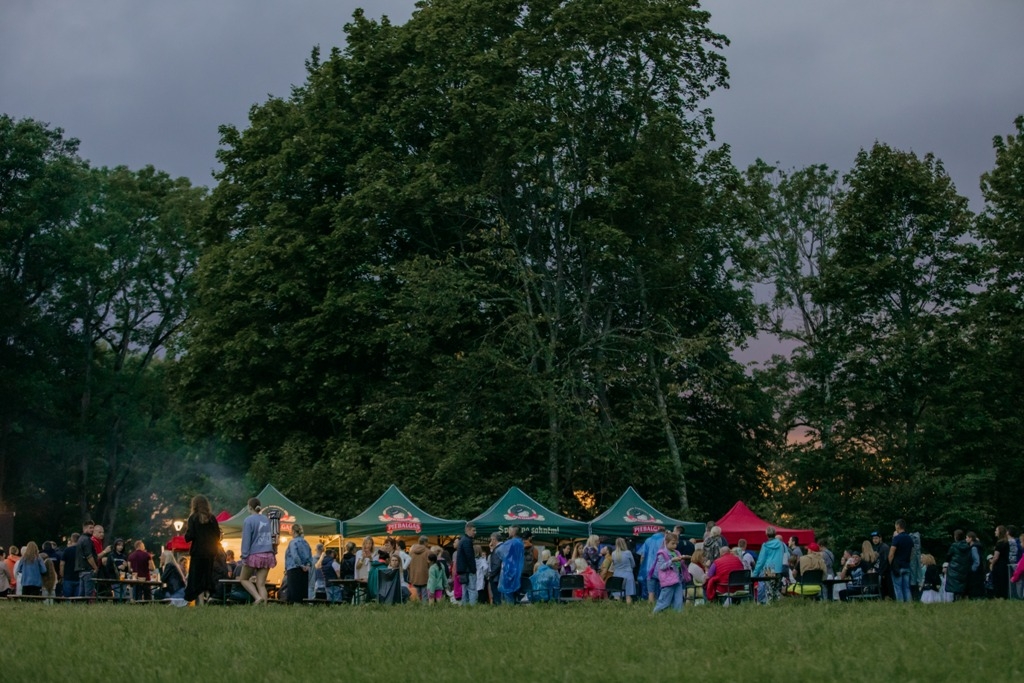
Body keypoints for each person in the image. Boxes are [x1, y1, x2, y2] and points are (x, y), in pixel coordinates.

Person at [184, 494, 222, 606]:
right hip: (210, 553)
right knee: (207, 576)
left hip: (198, 552)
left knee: (196, 578)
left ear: (194, 505)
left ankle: (199, 601)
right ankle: (208, 597)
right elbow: (217, 535)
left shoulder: (193, 518)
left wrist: (186, 534)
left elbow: (190, 536)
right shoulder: (212, 518)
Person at [239, 497, 275, 605]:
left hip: (254, 555)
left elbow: (246, 539)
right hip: (268, 554)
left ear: (249, 507)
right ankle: (264, 608)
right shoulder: (266, 519)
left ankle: (257, 597)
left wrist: (244, 555)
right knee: (261, 584)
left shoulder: (248, 520)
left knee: (244, 579)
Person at [752, 526, 790, 603]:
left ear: (766, 534)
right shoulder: (781, 544)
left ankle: (770, 605)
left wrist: (755, 574)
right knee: (776, 588)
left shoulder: (765, 545)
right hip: (779, 568)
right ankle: (778, 604)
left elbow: (761, 561)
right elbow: (787, 555)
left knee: (769, 588)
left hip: (769, 568)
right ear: (775, 533)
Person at [652, 533, 684, 613]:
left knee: (679, 600)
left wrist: (682, 559)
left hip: (678, 579)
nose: (675, 546)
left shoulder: (676, 552)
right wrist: (671, 561)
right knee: (664, 600)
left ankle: (678, 616)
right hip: (668, 580)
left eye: (676, 543)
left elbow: (679, 565)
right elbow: (662, 567)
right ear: (666, 542)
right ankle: (655, 613)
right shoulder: (662, 553)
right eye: (672, 543)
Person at [283, 523, 313, 604]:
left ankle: (293, 608)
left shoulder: (293, 542)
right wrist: (307, 565)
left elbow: (294, 555)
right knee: (303, 591)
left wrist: (300, 565)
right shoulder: (305, 542)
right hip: (305, 569)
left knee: (293, 591)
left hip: (293, 568)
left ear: (293, 531)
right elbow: (310, 555)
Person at [888, 519, 914, 603]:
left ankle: (901, 605)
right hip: (907, 566)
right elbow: (912, 553)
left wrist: (890, 564)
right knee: (906, 587)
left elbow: (891, 554)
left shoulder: (897, 538)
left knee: (898, 587)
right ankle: (909, 604)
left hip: (897, 567)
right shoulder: (910, 538)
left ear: (898, 526)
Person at [499, 526, 525, 604]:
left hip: (509, 570)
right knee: (514, 591)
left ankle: (509, 608)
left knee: (508, 592)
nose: (508, 532)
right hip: (518, 569)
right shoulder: (520, 542)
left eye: (509, 530)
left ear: (513, 532)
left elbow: (499, 551)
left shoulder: (511, 542)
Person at [74, 520, 99, 597]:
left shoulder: (80, 539)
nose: (92, 530)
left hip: (81, 569)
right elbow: (89, 556)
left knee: (81, 593)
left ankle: (80, 607)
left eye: (93, 528)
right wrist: (95, 568)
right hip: (88, 569)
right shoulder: (87, 540)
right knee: (88, 593)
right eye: (90, 528)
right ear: (84, 529)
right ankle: (87, 608)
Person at [456, 522, 477, 606]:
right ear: (468, 529)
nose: (475, 532)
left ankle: (465, 607)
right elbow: (470, 557)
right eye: (473, 530)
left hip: (463, 570)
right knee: (472, 590)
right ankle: (472, 607)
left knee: (464, 590)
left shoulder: (462, 540)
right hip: (468, 570)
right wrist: (473, 569)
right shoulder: (467, 541)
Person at [610, 538, 636, 603]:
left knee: (617, 594)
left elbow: (613, 565)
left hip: (617, 575)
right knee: (628, 595)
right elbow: (633, 564)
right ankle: (629, 609)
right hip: (628, 575)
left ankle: (618, 608)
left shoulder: (613, 554)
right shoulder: (628, 553)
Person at [989, 525, 1010, 599]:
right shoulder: (1006, 542)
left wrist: (992, 563)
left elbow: (996, 556)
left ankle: (998, 596)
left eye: (996, 530)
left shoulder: (999, 543)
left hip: (999, 565)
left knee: (998, 581)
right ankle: (1004, 596)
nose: (995, 532)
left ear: (1000, 532)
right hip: (1005, 564)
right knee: (1004, 581)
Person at [408, 535, 430, 602]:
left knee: (416, 596)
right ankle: (424, 610)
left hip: (414, 577)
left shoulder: (411, 552)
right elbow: (431, 565)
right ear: (425, 542)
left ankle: (416, 609)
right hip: (425, 577)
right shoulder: (428, 552)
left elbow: (408, 565)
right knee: (424, 596)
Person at [966, 531, 985, 598]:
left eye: (967, 538)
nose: (966, 539)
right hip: (979, 571)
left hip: (975, 572)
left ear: (970, 538)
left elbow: (976, 561)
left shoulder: (974, 548)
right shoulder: (977, 546)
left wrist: (972, 569)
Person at [60, 534, 79, 599]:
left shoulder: (67, 550)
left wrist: (62, 575)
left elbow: (62, 564)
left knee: (67, 598)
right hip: (78, 577)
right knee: (77, 599)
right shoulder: (81, 550)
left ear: (72, 539)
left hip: (68, 577)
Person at [487, 532, 504, 604]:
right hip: (501, 575)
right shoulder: (503, 547)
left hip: (496, 577)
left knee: (496, 596)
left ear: (494, 539)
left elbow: (496, 564)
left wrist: (490, 575)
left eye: (491, 540)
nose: (491, 542)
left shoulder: (497, 549)